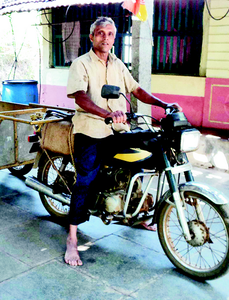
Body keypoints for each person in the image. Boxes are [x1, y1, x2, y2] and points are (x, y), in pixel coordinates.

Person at [64, 16, 181, 266]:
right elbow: (79, 97)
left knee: (150, 148)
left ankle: (136, 212)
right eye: (101, 33)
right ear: (92, 36)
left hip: (117, 129)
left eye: (110, 33)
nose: (106, 37)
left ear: (115, 38)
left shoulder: (118, 64)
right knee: (85, 179)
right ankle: (72, 238)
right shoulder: (81, 63)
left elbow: (136, 90)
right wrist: (106, 113)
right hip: (90, 131)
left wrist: (164, 104)